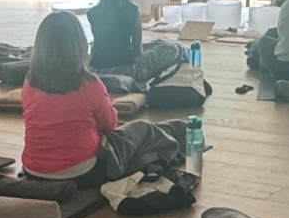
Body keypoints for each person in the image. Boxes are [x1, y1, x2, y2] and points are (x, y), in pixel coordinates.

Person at [20, 11, 182, 184]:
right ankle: (172, 148)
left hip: (33, 170)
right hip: (83, 173)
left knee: (124, 134)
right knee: (142, 128)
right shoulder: (89, 84)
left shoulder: (29, 82)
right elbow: (110, 125)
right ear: (79, 45)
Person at [87, 0, 143, 74]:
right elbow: (138, 51)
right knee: (171, 48)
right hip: (124, 67)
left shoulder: (92, 13)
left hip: (97, 67)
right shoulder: (133, 12)